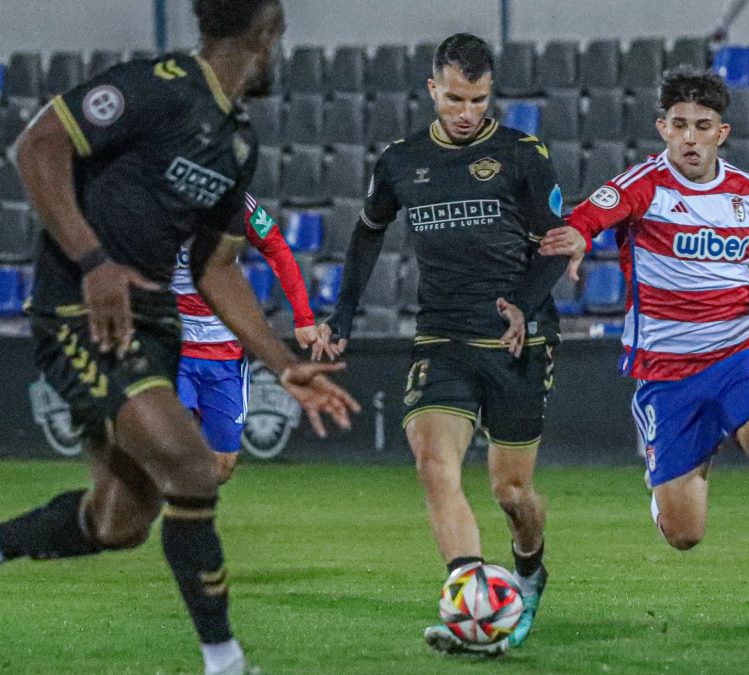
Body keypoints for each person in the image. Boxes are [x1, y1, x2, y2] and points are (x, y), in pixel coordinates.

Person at [0, 2, 359, 674]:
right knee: (194, 467)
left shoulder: (238, 143)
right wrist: (92, 261)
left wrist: (282, 363)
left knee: (119, 522)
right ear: (265, 34)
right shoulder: (155, 87)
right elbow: (37, 145)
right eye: (279, 38)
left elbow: (215, 267)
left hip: (155, 323)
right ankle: (225, 662)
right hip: (84, 313)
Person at [540, 66, 749, 650]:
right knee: (684, 534)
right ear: (662, 127)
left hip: (738, 354)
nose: (689, 137)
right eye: (678, 125)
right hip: (667, 375)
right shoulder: (643, 185)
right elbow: (590, 215)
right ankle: (679, 462)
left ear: (721, 132)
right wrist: (578, 237)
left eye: (702, 126)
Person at [311, 33, 566, 656]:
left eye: (478, 99)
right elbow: (368, 235)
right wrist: (343, 312)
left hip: (518, 342)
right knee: (433, 462)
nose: (466, 112)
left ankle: (528, 569)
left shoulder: (522, 154)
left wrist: (524, 306)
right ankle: (471, 601)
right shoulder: (401, 160)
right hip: (442, 336)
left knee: (510, 493)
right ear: (433, 89)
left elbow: (558, 245)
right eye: (454, 97)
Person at [173, 194, 318, 483]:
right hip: (175, 346)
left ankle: (188, 514)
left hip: (225, 351)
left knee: (223, 466)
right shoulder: (155, 196)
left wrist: (302, 315)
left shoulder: (234, 198)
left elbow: (276, 245)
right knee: (174, 444)